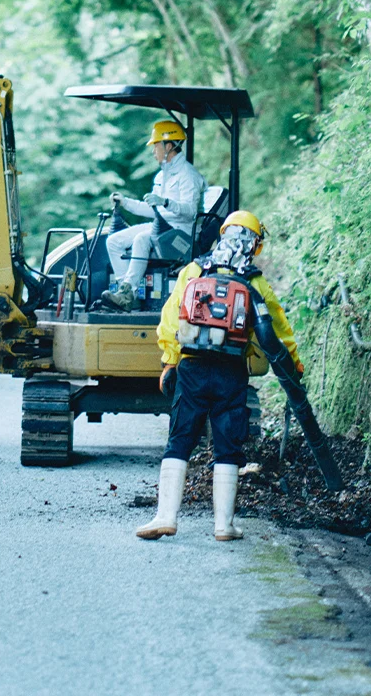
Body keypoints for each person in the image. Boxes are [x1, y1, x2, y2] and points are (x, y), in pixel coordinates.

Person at [136, 210, 301, 542]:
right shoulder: (255, 282)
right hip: (231, 372)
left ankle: (165, 517)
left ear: (223, 234)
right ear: (255, 245)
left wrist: (170, 360)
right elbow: (278, 331)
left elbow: (169, 320)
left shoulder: (194, 270)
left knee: (179, 440)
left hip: (192, 367)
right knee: (227, 446)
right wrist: (294, 364)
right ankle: (224, 526)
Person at [96, 120, 206, 311]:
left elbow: (190, 212)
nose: (153, 152)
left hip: (181, 232)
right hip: (162, 227)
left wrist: (165, 202)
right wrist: (125, 202)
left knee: (141, 238)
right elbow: (153, 211)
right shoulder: (162, 176)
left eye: (156, 146)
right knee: (113, 241)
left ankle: (127, 291)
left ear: (169, 146)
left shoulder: (188, 175)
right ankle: (127, 295)